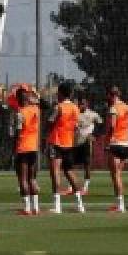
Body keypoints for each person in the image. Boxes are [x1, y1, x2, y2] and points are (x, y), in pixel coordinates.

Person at [46, 83, 84, 213]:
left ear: (61, 93)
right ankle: (80, 204)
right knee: (70, 172)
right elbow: (77, 125)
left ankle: (57, 206)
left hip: (56, 142)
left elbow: (50, 122)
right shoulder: (75, 108)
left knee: (55, 172)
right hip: (68, 143)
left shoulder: (59, 107)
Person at [11, 86, 42, 215]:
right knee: (32, 178)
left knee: (23, 179)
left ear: (18, 99)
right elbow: (39, 101)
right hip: (33, 147)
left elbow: (18, 132)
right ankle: (36, 208)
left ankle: (27, 208)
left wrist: (13, 145)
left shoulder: (20, 113)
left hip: (22, 147)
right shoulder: (36, 110)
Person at [105, 86, 128, 213]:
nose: (107, 98)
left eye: (108, 95)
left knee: (115, 175)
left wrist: (108, 140)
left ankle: (121, 205)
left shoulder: (113, 108)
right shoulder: (126, 107)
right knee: (119, 174)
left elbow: (112, 126)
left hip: (115, 143)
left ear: (112, 95)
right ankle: (120, 203)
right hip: (125, 143)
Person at [73, 95, 102, 195]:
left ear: (87, 104)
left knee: (87, 164)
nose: (81, 105)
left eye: (83, 103)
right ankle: (72, 187)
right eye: (80, 103)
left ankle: (85, 188)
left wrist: (94, 135)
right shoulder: (74, 113)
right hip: (75, 142)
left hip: (86, 143)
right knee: (71, 165)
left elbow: (100, 125)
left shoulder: (93, 114)